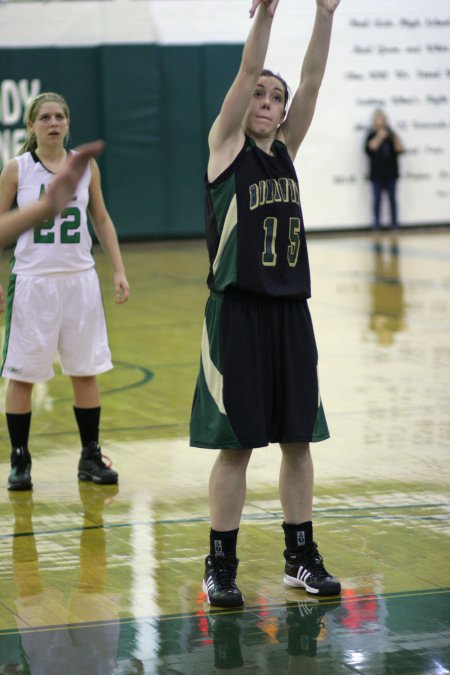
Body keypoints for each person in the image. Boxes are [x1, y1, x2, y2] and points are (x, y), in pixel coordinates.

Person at [189, 0, 342, 608]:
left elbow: (312, 81)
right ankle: (220, 564)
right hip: (237, 313)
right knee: (238, 445)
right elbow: (249, 64)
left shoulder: (284, 150)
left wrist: (325, 13)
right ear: (242, 103)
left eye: (275, 99)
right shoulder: (225, 147)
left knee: (298, 439)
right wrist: (269, 14)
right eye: (259, 95)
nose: (269, 103)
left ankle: (299, 555)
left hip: (289, 312)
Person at [0, 92, 130, 491]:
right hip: (33, 284)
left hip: (80, 282)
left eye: (59, 117)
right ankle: (20, 459)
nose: (53, 123)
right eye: (45, 117)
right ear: (31, 126)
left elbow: (102, 219)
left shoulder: (84, 166)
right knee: (22, 376)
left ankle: (90, 455)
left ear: (68, 123)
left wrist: (119, 271)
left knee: (85, 371)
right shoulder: (16, 169)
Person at [365, 109, 404, 229]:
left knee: (392, 198)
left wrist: (394, 137)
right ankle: (376, 224)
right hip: (377, 174)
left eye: (382, 119)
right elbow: (370, 148)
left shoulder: (391, 134)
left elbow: (399, 150)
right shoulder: (371, 134)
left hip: (391, 173)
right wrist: (380, 137)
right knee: (377, 199)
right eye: (378, 119)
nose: (381, 122)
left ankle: (394, 223)